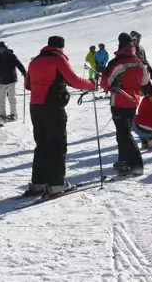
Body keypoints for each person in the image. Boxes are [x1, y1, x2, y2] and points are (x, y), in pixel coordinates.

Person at [23, 36, 96, 196]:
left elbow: (27, 85)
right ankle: (56, 183)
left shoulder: (35, 61)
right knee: (57, 144)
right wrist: (91, 84)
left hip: (35, 106)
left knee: (42, 145)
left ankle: (38, 182)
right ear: (61, 47)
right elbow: (74, 80)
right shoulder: (58, 59)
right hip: (52, 106)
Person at [101, 33, 151, 175]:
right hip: (133, 100)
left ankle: (136, 164)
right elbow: (144, 81)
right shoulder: (139, 61)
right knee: (123, 131)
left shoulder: (117, 62)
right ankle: (123, 160)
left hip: (119, 101)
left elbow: (105, 83)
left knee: (124, 133)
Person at [0, 41, 27, 121]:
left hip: (11, 80)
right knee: (1, 99)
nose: (1, 50)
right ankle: (2, 115)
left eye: (2, 48)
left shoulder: (12, 56)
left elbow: (19, 64)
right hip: (1, 81)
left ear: (6, 48)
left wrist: (24, 72)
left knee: (12, 98)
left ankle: (13, 114)